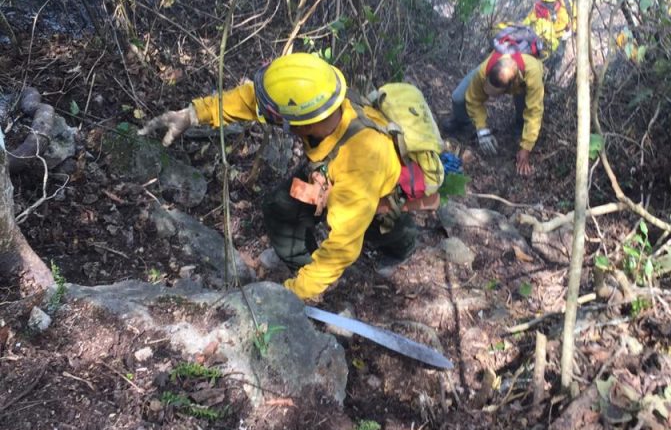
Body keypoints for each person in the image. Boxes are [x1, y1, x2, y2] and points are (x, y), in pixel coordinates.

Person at [139, 53, 419, 302]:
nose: (270, 121)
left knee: (381, 231)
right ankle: (304, 265)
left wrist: (293, 294)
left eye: (277, 120)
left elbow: (341, 248)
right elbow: (253, 101)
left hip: (377, 190)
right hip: (330, 172)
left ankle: (403, 247)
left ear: (303, 125)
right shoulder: (322, 97)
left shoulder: (361, 163)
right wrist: (194, 114)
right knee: (279, 207)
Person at [445, 46, 544, 176]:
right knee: (458, 98)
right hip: (500, 77)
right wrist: (482, 130)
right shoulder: (484, 70)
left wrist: (526, 147)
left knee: (525, 103)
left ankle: (519, 126)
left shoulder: (533, 72)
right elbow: (474, 99)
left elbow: (534, 113)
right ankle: (464, 122)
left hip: (523, 83)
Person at [522, 0, 574, 77]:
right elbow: (529, 20)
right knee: (544, 62)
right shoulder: (541, 7)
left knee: (557, 59)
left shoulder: (567, 5)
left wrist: (571, 29)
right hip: (546, 40)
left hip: (561, 37)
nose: (550, 4)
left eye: (552, 2)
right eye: (548, 2)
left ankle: (552, 76)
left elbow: (578, 18)